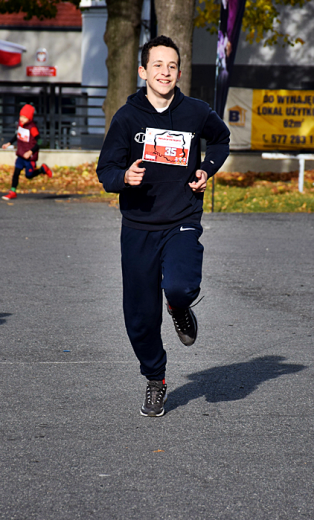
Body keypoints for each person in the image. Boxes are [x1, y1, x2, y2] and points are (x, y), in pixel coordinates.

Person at [96, 35, 230, 417]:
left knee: (181, 285)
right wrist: (125, 178)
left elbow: (220, 140)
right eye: (157, 65)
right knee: (139, 318)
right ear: (143, 71)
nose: (165, 72)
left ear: (179, 71)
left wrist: (206, 168)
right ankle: (156, 378)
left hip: (182, 218)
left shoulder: (196, 111)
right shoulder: (127, 117)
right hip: (139, 226)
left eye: (171, 66)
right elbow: (105, 170)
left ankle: (179, 304)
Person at [1, 103, 52, 200]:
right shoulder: (20, 125)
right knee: (16, 172)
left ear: (29, 118)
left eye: (24, 117)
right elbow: (17, 135)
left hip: (30, 158)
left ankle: (42, 169)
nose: (21, 119)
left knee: (29, 175)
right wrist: (9, 143)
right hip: (21, 154)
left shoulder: (32, 128)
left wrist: (31, 152)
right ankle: (12, 192)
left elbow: (40, 141)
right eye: (21, 116)